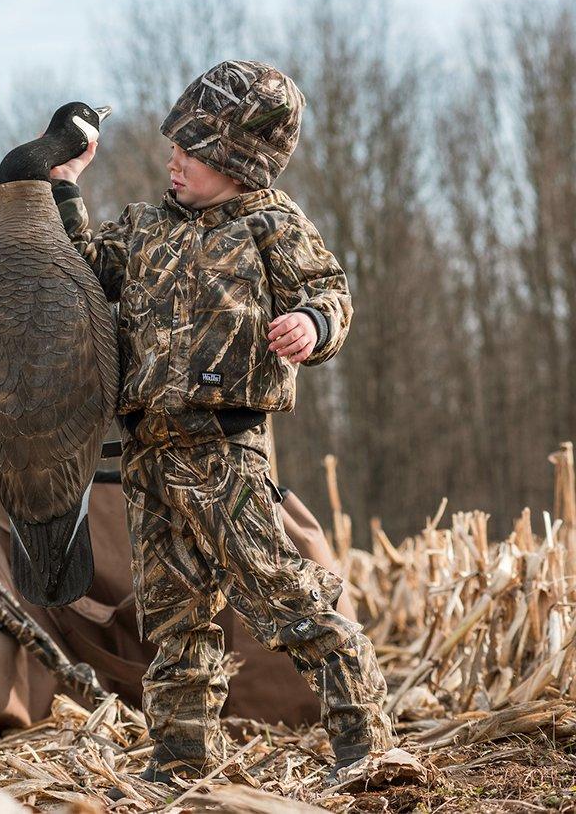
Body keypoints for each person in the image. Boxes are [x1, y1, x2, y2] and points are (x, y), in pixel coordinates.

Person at [49, 60, 395, 785]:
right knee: (174, 618)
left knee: (283, 591)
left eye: (194, 149)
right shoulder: (143, 229)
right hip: (146, 454)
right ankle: (181, 762)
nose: (173, 158)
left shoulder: (272, 224)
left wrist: (309, 322)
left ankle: (368, 745)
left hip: (226, 451)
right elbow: (81, 270)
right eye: (175, 143)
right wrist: (63, 188)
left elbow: (330, 293)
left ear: (240, 163)